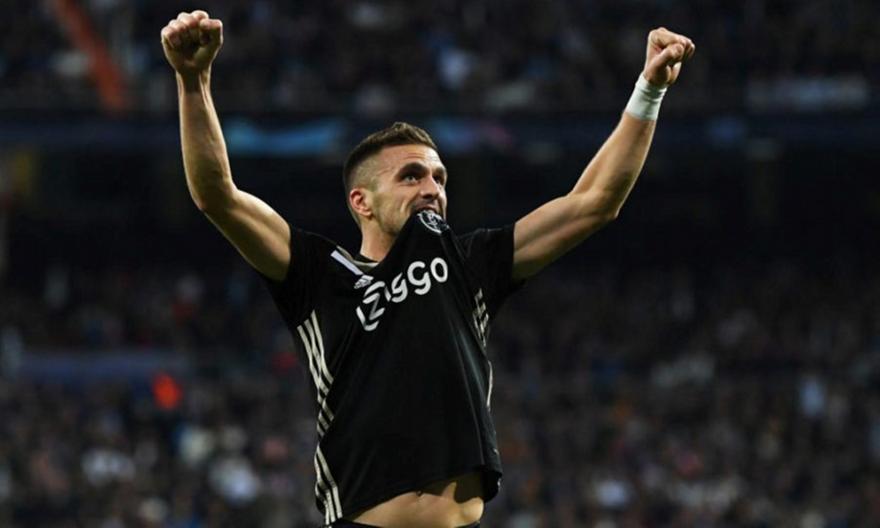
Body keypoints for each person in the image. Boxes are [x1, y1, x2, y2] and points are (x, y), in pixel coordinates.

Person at [161, 10, 694, 528]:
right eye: (411, 176)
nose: (432, 189)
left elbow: (594, 203)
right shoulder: (318, 275)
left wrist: (649, 89)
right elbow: (218, 196)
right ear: (362, 202)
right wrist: (192, 82)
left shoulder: (469, 265)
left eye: (439, 178)